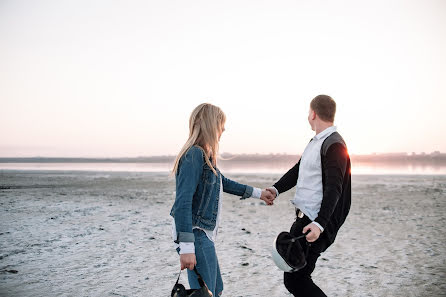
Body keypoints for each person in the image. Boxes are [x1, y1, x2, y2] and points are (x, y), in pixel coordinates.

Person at [170, 103, 275, 297]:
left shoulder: (206, 156)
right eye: (221, 125)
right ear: (210, 125)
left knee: (215, 289)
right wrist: (186, 247)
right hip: (196, 234)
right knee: (207, 292)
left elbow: (222, 182)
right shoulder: (194, 155)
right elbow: (182, 204)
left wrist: (258, 193)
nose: (223, 130)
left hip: (203, 235)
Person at [266, 95, 351, 297]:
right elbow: (299, 170)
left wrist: (320, 225)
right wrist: (275, 189)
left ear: (313, 113)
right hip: (306, 218)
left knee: (297, 279)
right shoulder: (317, 141)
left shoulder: (335, 144)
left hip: (316, 222)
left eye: (308, 112)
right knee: (294, 277)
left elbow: (334, 188)